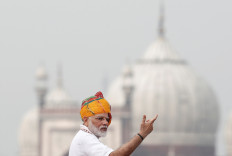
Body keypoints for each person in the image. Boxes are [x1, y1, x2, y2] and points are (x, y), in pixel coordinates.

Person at [69, 91, 158, 156]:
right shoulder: (85, 138)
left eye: (107, 119)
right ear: (86, 120)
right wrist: (142, 134)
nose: (105, 122)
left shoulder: (87, 137)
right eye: (100, 119)